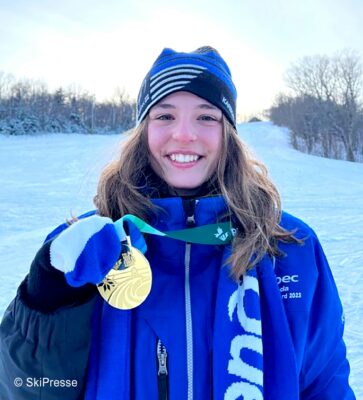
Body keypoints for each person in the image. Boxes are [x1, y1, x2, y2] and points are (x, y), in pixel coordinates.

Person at [0, 46, 356, 400]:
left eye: (206, 117)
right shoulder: (89, 245)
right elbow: (29, 390)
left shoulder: (290, 245)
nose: (184, 135)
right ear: (144, 130)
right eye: (165, 116)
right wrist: (45, 297)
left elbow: (325, 384)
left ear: (228, 132)